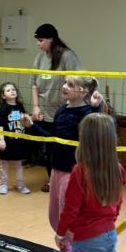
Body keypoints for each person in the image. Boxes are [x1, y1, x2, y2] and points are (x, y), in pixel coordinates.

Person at [52, 113, 126, 252]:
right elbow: (119, 201)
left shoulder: (80, 172)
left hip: (86, 240)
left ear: (85, 140)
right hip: (109, 235)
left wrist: (61, 231)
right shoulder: (118, 168)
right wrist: (110, 222)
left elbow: (71, 208)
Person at [22, 76, 105, 252]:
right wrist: (31, 126)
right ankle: (66, 243)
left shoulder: (87, 113)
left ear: (83, 91)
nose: (64, 87)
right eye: (65, 83)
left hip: (73, 171)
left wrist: (97, 107)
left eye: (70, 85)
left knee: (69, 212)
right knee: (55, 214)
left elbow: (97, 129)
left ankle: (76, 248)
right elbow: (51, 137)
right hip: (56, 169)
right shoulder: (61, 111)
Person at [29, 23, 83, 192]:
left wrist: (70, 106)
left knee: (66, 149)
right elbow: (33, 84)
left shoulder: (68, 56)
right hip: (45, 112)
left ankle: (71, 181)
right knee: (50, 149)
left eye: (41, 40)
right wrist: (36, 107)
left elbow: (77, 81)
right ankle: (53, 180)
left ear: (51, 39)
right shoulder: (40, 58)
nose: (38, 44)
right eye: (37, 40)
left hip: (63, 113)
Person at [0, 82, 31, 195]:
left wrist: (28, 120)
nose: (12, 91)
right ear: (3, 96)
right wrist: (1, 139)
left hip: (18, 141)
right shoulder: (3, 109)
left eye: (13, 89)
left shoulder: (20, 106)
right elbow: (0, 125)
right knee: (4, 164)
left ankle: (20, 185)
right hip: (7, 141)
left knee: (18, 164)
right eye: (8, 90)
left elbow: (25, 122)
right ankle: (3, 185)